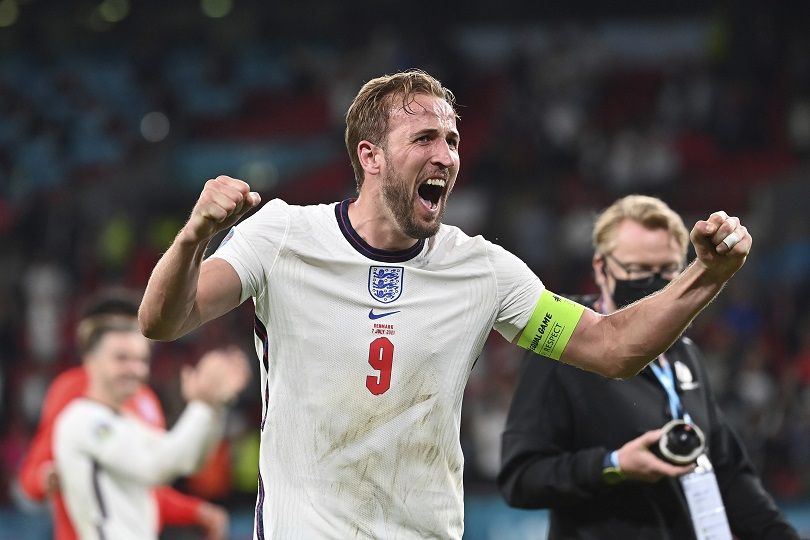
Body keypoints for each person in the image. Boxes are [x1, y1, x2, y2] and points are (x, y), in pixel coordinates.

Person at [138, 69, 752, 538]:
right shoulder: (280, 237)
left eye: (453, 140)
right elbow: (165, 320)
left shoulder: (482, 270)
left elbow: (613, 348)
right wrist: (193, 236)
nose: (447, 156)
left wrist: (708, 274)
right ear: (369, 156)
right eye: (425, 137)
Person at [498, 195, 798, 539]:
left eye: (668, 272)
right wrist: (613, 465)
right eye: (638, 270)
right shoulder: (565, 349)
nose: (654, 283)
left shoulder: (685, 354)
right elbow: (520, 479)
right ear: (600, 267)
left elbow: (729, 476)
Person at [16, 289, 231, 540]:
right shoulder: (73, 393)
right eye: (120, 354)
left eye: (139, 356)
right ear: (92, 348)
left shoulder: (145, 400)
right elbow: (31, 476)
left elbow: (149, 475)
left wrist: (194, 510)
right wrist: (46, 479)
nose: (133, 365)